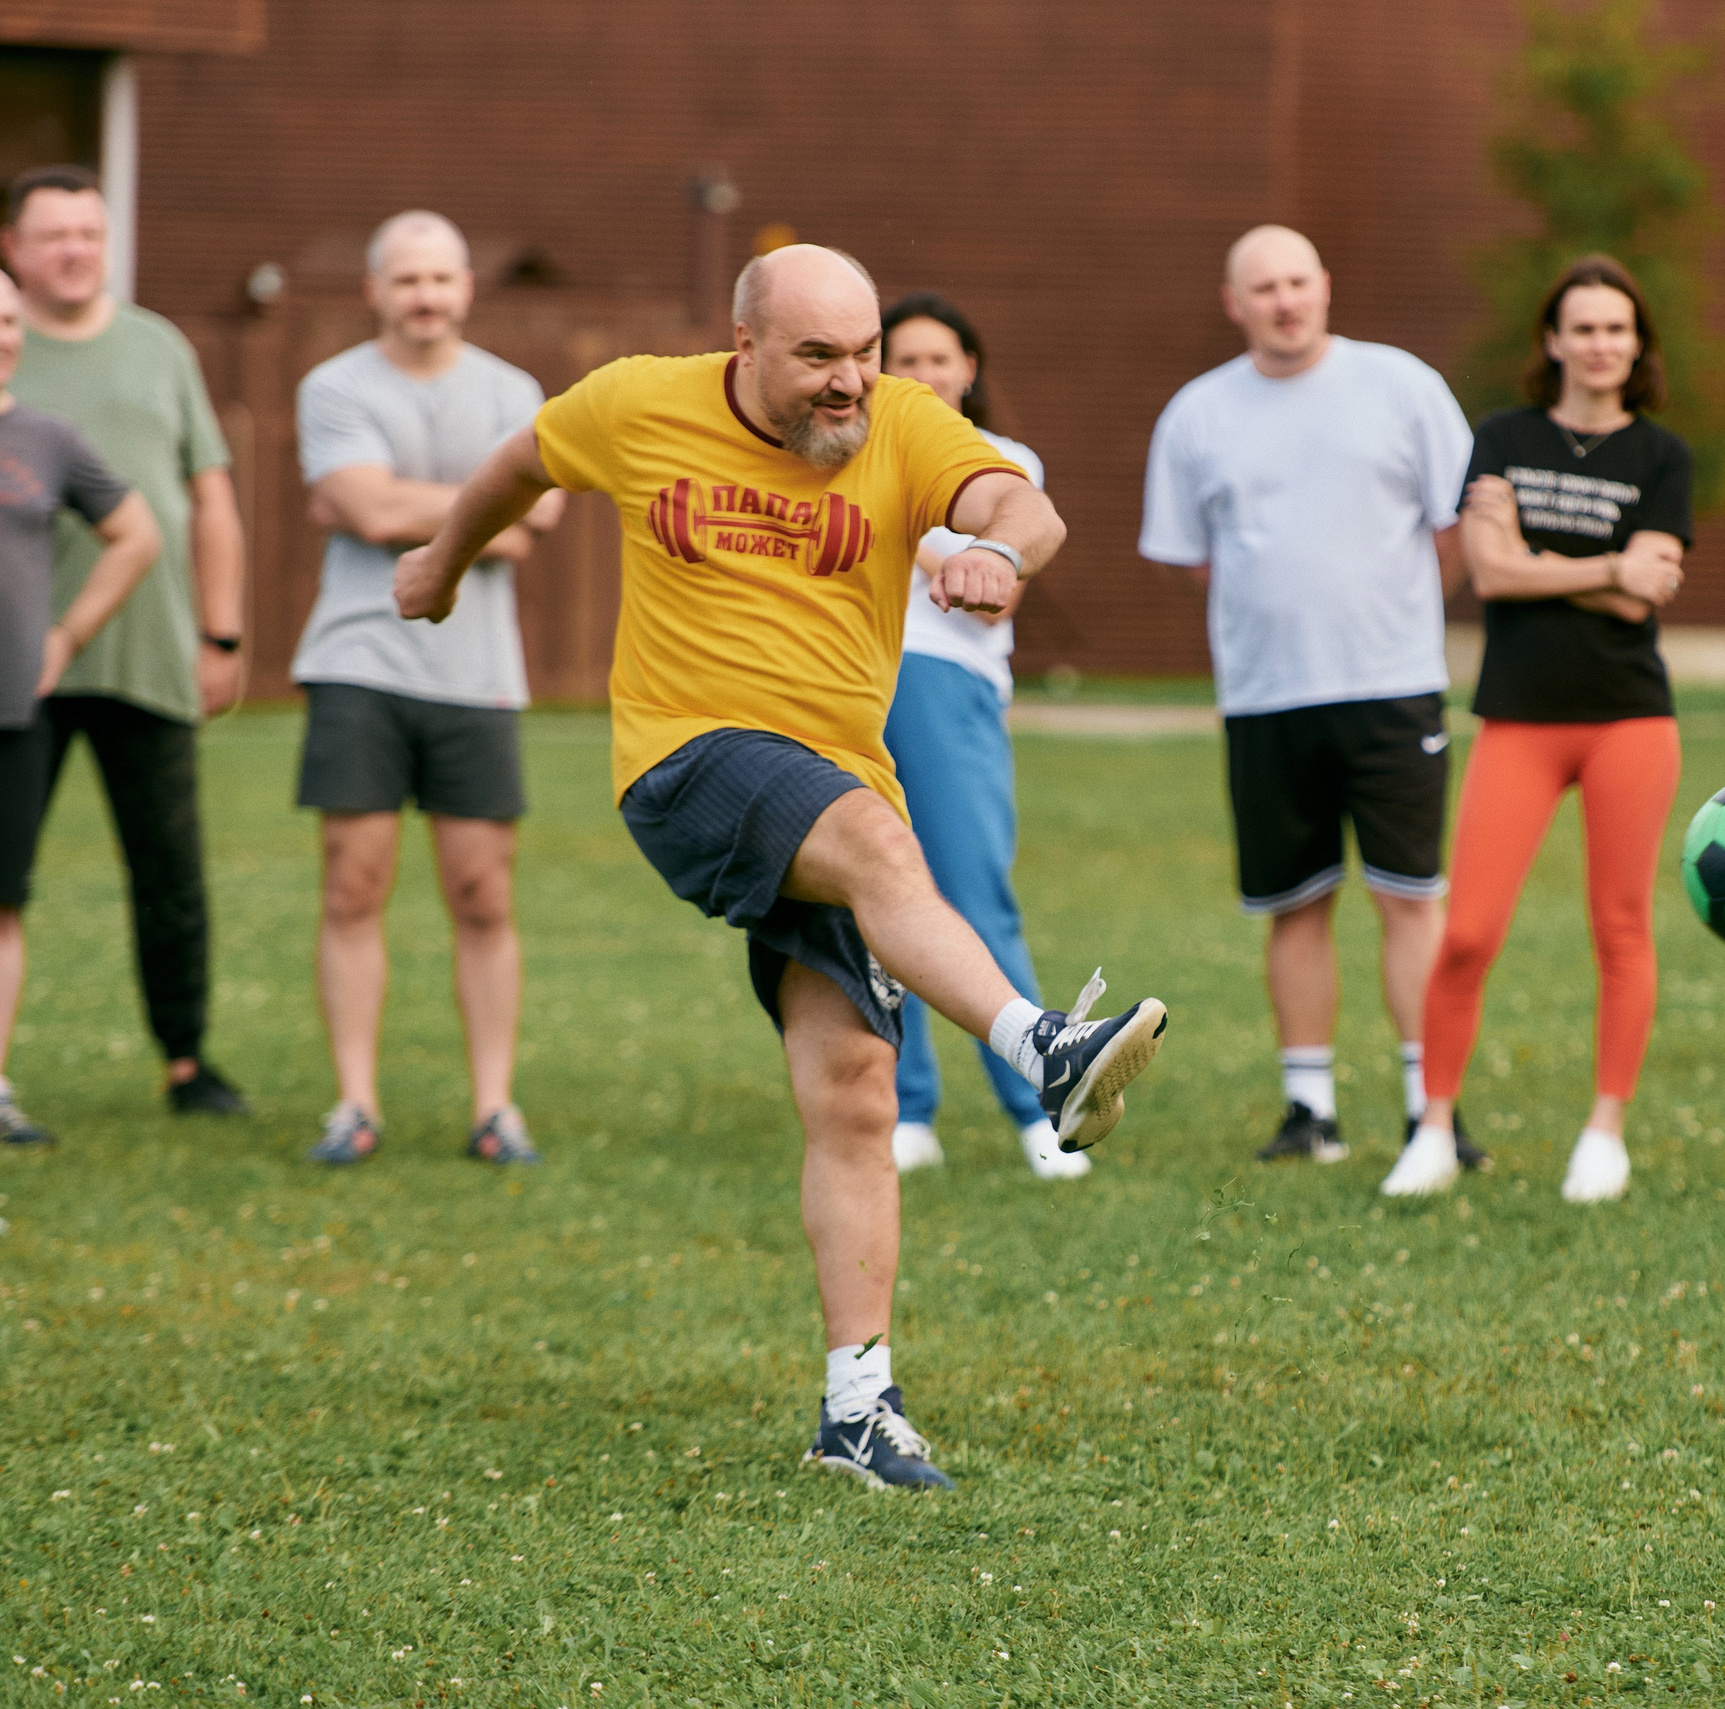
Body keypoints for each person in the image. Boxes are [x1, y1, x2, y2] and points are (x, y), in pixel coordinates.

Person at [393, 245, 1167, 1488]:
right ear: (740, 342)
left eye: (861, 351)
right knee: (875, 838)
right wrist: (440, 562)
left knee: (857, 1082)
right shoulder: (640, 403)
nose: (848, 381)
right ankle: (1042, 1048)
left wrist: (1000, 557)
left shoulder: (902, 422)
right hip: (687, 761)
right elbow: (521, 461)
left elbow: (1028, 505)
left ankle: (856, 1406)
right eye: (817, 357)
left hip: (833, 778)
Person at [1140, 224, 1481, 1167]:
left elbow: (1457, 525)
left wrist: (1391, 616)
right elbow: (1188, 560)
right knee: (1296, 903)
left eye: (1298, 282)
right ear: (1234, 303)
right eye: (1263, 288)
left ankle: (1430, 1108)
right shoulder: (1197, 414)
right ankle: (1309, 1110)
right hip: (1266, 699)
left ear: (1325, 287)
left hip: (1393, 687)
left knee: (1410, 897)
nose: (1284, 301)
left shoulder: (1402, 386)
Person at [1383, 256, 1691, 1204]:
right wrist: (1604, 567)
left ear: (1636, 345)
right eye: (1583, 327)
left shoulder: (1663, 457)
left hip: (1629, 721)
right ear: (1552, 341)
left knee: (1621, 927)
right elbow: (1492, 575)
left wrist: (1536, 554)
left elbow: (1647, 597)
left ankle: (1605, 1131)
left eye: (1617, 328)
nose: (1601, 344)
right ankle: (1432, 1126)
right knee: (1468, 932)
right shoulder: (1504, 436)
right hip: (1517, 718)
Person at [291, 211, 567, 1167]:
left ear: (466, 288)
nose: (425, 297)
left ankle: (496, 1108)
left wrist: (392, 500)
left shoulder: (513, 390)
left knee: (484, 894)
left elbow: (545, 515)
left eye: (441, 279)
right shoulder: (332, 387)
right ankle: (352, 1105)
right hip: (357, 666)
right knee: (352, 886)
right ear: (375, 290)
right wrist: (489, 508)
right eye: (406, 280)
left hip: (477, 675)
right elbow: (363, 510)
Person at [1, 165, 251, 1117]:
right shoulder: (7, 351)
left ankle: (186, 1058)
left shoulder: (158, 348)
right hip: (17, 663)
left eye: (90, 234)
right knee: (4, 875)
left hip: (146, 652)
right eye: (54, 234)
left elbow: (209, 496)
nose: (75, 251)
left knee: (169, 867)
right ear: (13, 249)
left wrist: (220, 634)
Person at [876, 291, 1086, 1180]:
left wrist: (912, 539)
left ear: (970, 370)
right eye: (906, 360)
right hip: (858, 681)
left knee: (968, 888)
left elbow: (992, 587)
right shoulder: (856, 457)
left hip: (943, 684)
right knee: (879, 895)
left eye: (939, 359)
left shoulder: (1001, 466)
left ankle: (1037, 1104)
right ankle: (907, 1104)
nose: (923, 375)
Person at [0, 269, 165, 1146]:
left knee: (3, 901)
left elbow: (137, 534)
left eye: (7, 320)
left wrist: (63, 638)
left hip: (13, 714)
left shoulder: (47, 440)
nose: (2, 336)